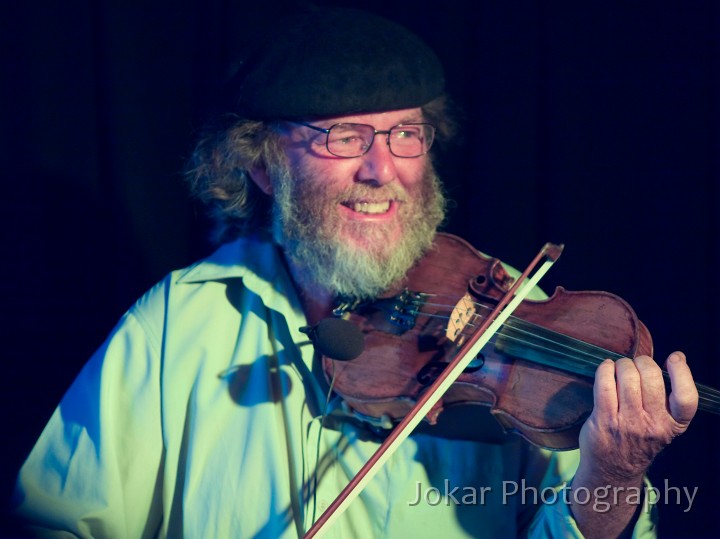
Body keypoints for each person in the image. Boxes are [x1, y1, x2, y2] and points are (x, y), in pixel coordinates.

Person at [11, 6, 698, 538]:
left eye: (405, 132)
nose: (382, 168)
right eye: (343, 136)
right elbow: (50, 518)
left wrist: (611, 474)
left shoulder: (506, 311)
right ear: (261, 161)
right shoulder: (178, 322)